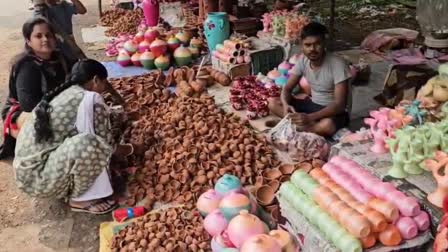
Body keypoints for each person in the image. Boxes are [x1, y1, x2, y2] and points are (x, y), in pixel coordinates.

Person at [13, 59, 134, 214]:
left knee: (94, 139)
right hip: (39, 179)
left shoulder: (67, 92)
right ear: (96, 80)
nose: (105, 88)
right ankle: (80, 200)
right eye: (104, 83)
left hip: (27, 174)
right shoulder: (91, 99)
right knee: (90, 144)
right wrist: (132, 148)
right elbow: (107, 146)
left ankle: (68, 186)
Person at [0, 17, 71, 159]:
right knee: (49, 127)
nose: (45, 39)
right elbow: (28, 105)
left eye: (48, 35)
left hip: (53, 107)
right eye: (38, 36)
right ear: (28, 41)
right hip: (24, 113)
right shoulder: (27, 67)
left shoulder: (61, 59)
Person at [268, 22, 352, 137]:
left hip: (333, 111)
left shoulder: (338, 64)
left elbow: (339, 104)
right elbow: (287, 88)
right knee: (273, 103)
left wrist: (309, 117)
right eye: (308, 45)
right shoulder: (303, 61)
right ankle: (305, 127)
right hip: (312, 104)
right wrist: (286, 105)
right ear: (302, 46)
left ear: (324, 44)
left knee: (327, 125)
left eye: (317, 44)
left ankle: (295, 126)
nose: (312, 49)